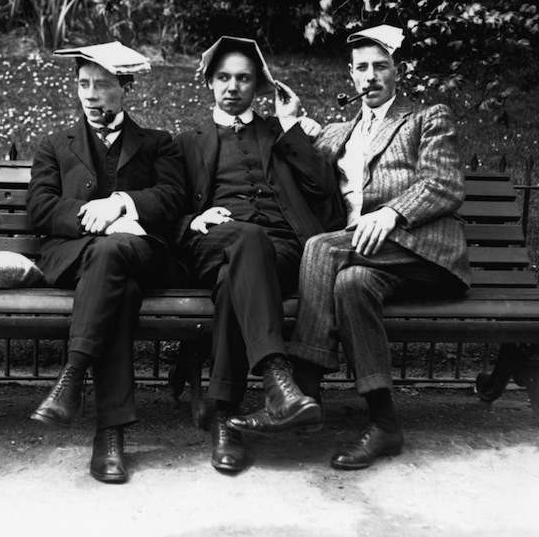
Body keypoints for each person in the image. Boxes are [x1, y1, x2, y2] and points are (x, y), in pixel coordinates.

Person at [229, 24, 471, 470]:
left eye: (381, 66)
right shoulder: (340, 132)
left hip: (421, 249)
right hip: (367, 257)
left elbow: (444, 183)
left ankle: (301, 387)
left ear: (398, 72)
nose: (371, 76)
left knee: (321, 249)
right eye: (362, 68)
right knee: (352, 286)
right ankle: (384, 424)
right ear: (351, 76)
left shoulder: (426, 118)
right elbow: (306, 165)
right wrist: (290, 120)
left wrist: (392, 213)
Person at [174, 36, 344, 474]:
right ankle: (277, 380)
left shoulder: (279, 133)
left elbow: (323, 190)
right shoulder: (186, 142)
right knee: (245, 241)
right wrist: (194, 220)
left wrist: (290, 126)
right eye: (224, 78)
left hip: (281, 251)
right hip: (212, 244)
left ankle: (223, 416)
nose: (233, 87)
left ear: (258, 86)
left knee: (239, 276)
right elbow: (166, 208)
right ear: (210, 83)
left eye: (244, 78)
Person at [26, 41, 184, 484]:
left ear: (126, 86)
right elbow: (40, 208)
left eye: (102, 85)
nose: (91, 95)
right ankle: (109, 434)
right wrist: (90, 217)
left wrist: (120, 204)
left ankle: (73, 377)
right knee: (118, 281)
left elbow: (171, 198)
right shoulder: (55, 145)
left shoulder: (158, 144)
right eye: (83, 84)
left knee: (114, 255)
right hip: (79, 256)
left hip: (143, 252)